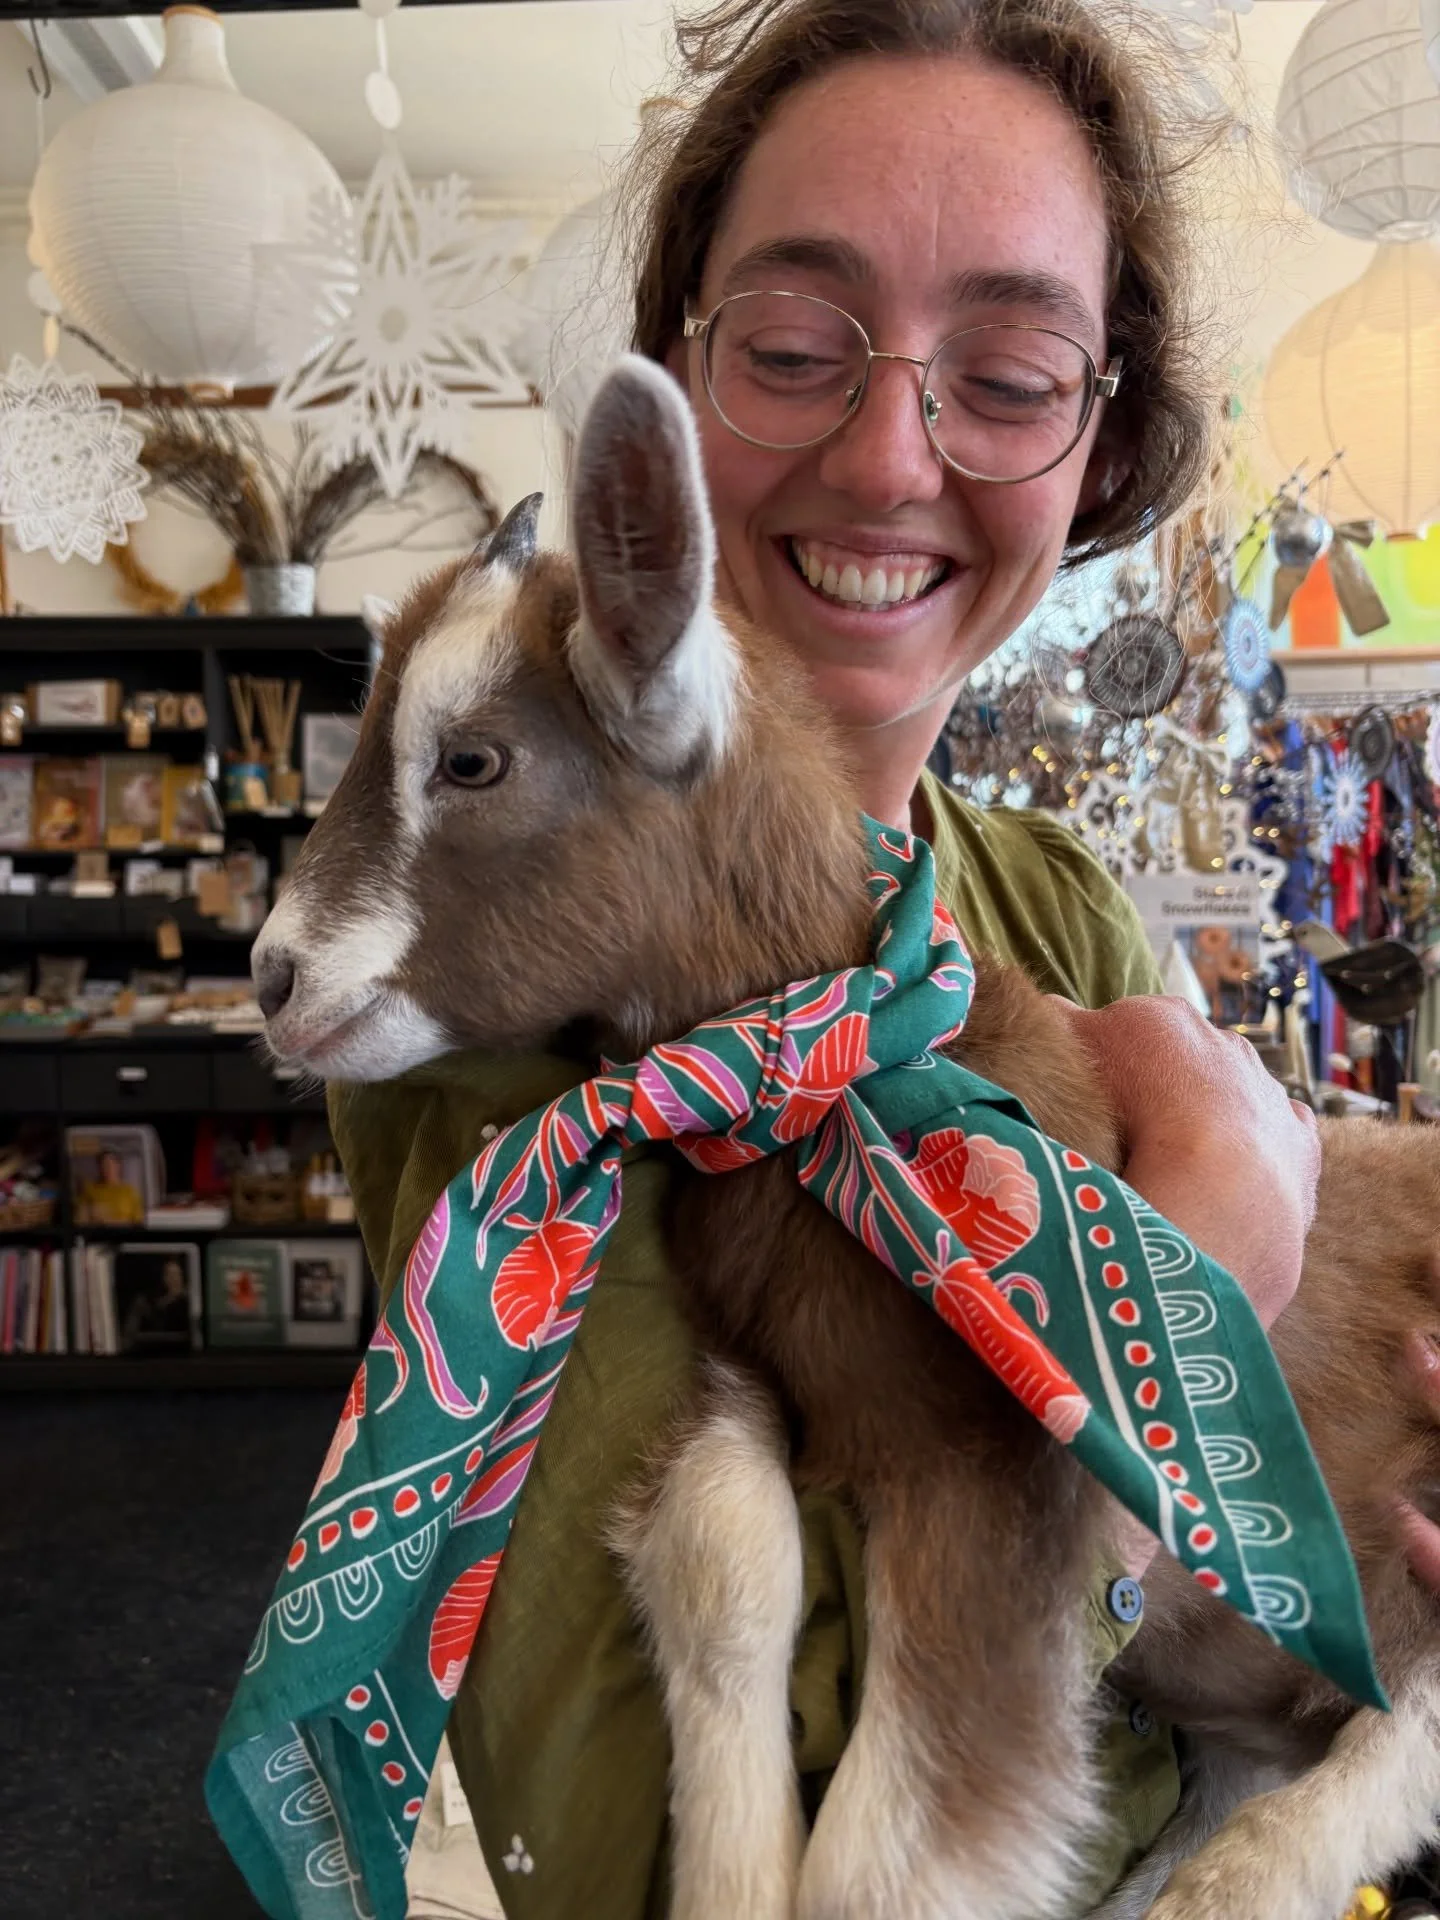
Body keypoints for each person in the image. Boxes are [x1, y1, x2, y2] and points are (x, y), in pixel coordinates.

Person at [329, 0, 1440, 1911]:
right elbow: (624, 1835)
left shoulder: (1057, 913)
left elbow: (1210, 1702)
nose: (889, 452)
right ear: (665, 395)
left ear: (1095, 448)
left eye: (1010, 372)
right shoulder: (508, 970)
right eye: (786, 348)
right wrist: (1186, 1318)